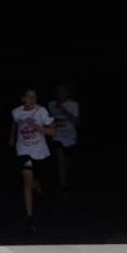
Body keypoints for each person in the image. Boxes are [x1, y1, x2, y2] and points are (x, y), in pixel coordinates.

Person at [9, 88, 57, 231]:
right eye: (29, 97)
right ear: (23, 98)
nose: (32, 100)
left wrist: (36, 126)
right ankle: (30, 218)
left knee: (36, 184)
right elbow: (15, 123)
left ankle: (37, 187)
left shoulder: (41, 111)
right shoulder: (16, 112)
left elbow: (53, 131)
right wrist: (12, 136)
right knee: (27, 182)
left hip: (40, 151)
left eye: (34, 97)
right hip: (23, 150)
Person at [47, 84, 81, 197]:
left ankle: (61, 180)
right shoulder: (51, 104)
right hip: (57, 136)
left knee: (67, 162)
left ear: (67, 93)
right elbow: (50, 119)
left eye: (63, 92)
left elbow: (76, 122)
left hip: (71, 138)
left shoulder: (73, 104)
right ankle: (63, 185)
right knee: (60, 158)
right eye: (58, 92)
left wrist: (63, 109)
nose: (60, 94)